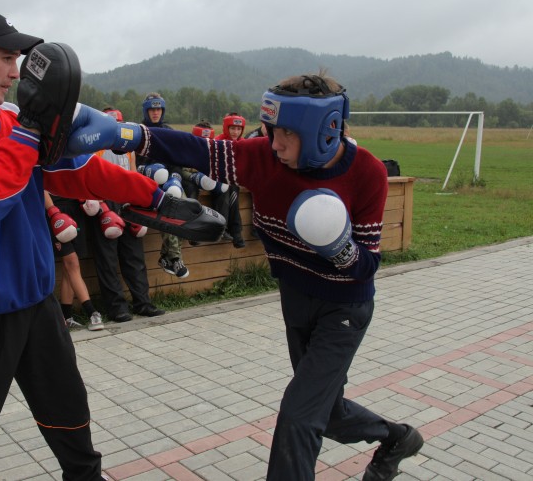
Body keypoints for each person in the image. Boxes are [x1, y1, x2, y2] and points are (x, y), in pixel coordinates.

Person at [66, 71, 424, 480]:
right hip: (295, 299)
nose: (276, 143)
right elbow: (198, 149)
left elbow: (367, 266)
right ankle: (397, 438)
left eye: (287, 133)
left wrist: (338, 246)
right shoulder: (264, 158)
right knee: (328, 410)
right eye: (272, 130)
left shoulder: (367, 174)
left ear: (324, 130)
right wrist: (126, 135)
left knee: (298, 416)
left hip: (345, 308)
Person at [0, 8, 206, 480]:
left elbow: (78, 171)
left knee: (71, 416)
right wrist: (28, 129)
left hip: (38, 302)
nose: (15, 73)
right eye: (5, 58)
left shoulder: (9, 118)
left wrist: (158, 198)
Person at [81, 109, 165, 321]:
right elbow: (85, 178)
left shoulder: (128, 149)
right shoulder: (93, 147)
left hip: (126, 200)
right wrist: (103, 208)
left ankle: (142, 302)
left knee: (134, 254)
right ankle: (116, 307)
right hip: (103, 201)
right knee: (107, 258)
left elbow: (134, 173)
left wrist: (139, 203)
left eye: (117, 125)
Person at [136, 93, 189, 279]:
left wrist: (176, 176)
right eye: (152, 109)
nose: (156, 113)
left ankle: (166, 257)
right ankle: (174, 257)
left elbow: (177, 160)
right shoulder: (139, 131)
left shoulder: (169, 131)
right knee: (168, 209)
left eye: (158, 109)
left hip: (170, 182)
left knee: (185, 208)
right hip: (149, 184)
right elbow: (134, 163)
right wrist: (146, 170)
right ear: (146, 110)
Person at [44, 190, 104, 331]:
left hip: (75, 209)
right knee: (72, 262)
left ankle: (66, 317)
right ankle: (92, 313)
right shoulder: (43, 167)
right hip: (56, 211)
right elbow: (41, 186)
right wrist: (53, 212)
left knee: (68, 269)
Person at [213, 112, 246, 248]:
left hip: (235, 180)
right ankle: (233, 231)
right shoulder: (217, 141)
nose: (235, 132)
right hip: (217, 179)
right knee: (229, 188)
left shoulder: (244, 144)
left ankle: (231, 230)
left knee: (233, 188)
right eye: (233, 128)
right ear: (226, 128)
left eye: (239, 129)